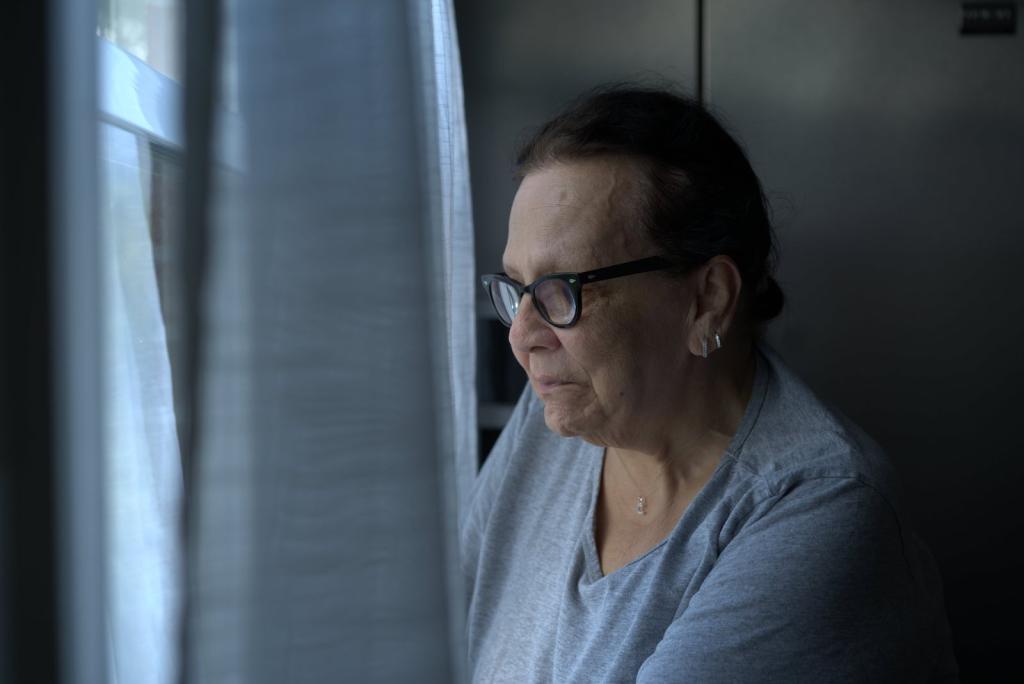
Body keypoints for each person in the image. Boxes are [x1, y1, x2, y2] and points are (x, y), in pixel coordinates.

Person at [460, 84, 959, 683]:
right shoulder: (558, 407)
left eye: (561, 290)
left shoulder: (818, 509)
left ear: (707, 299)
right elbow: (441, 621)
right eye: (517, 290)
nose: (522, 337)